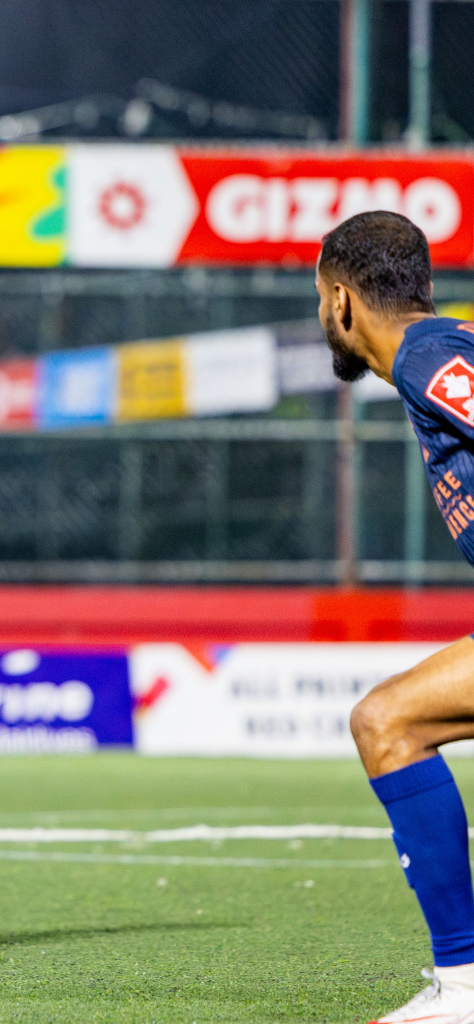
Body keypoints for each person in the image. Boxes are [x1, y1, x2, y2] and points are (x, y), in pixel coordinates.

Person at [317, 210, 474, 1023]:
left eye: (320, 299)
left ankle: (466, 989)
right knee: (390, 721)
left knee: (388, 722)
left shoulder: (425, 355)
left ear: (341, 302)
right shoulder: (441, 349)